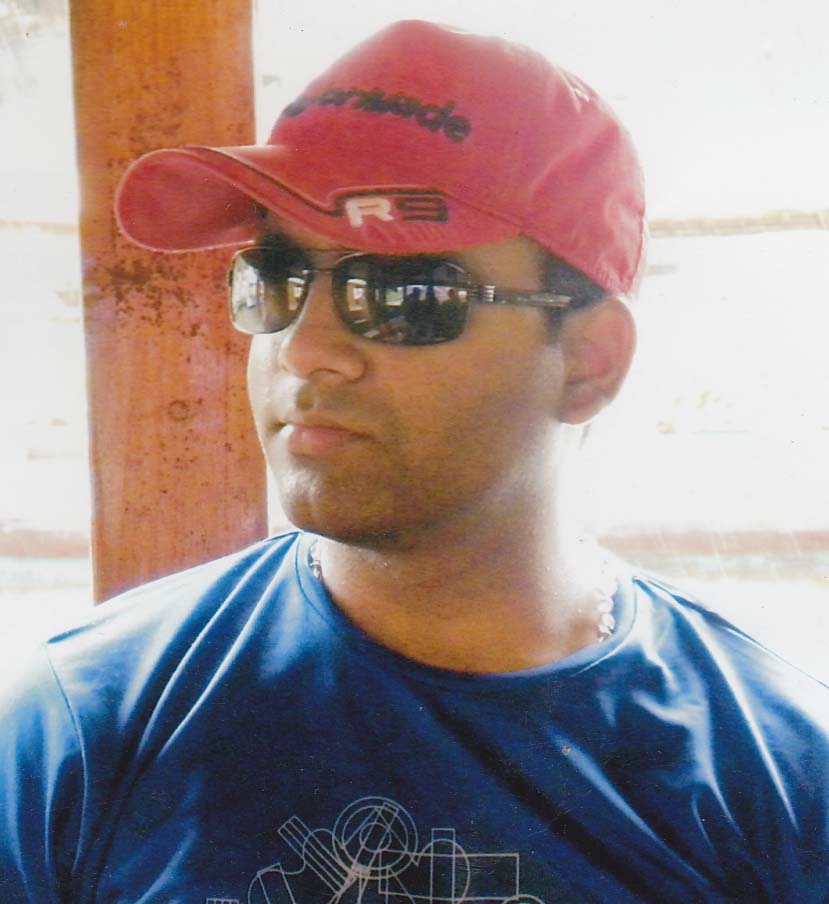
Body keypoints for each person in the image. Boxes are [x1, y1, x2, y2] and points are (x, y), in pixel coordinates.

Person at [1, 19, 827, 904]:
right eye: (277, 280)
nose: (306, 349)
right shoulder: (86, 728)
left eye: (403, 295)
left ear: (590, 361)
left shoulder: (775, 777)